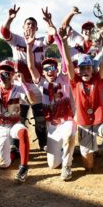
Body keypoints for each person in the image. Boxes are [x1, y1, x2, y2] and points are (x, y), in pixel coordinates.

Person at [61, 27, 103, 185]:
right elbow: (68, 63)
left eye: (88, 67)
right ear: (78, 70)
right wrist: (63, 42)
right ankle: (87, 152)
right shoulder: (75, 81)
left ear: (92, 69)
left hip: (100, 123)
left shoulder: (98, 79)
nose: (85, 71)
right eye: (82, 68)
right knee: (88, 166)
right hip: (85, 127)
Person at [0, 5, 54, 151]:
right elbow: (4, 32)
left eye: (33, 25)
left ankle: (43, 144)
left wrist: (49, 22)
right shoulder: (16, 40)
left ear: (36, 29)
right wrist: (9, 19)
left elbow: (52, 36)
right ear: (23, 27)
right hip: (19, 84)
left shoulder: (41, 42)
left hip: (37, 85)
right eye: (28, 24)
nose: (30, 26)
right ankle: (15, 146)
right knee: (19, 117)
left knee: (40, 118)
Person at [26, 25, 76, 181]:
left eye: (52, 67)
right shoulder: (41, 83)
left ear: (56, 69)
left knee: (68, 134)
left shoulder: (63, 78)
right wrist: (28, 47)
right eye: (46, 68)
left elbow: (67, 62)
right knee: (53, 164)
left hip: (66, 120)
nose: (49, 71)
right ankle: (62, 152)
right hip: (52, 126)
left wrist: (62, 41)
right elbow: (30, 66)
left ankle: (67, 166)